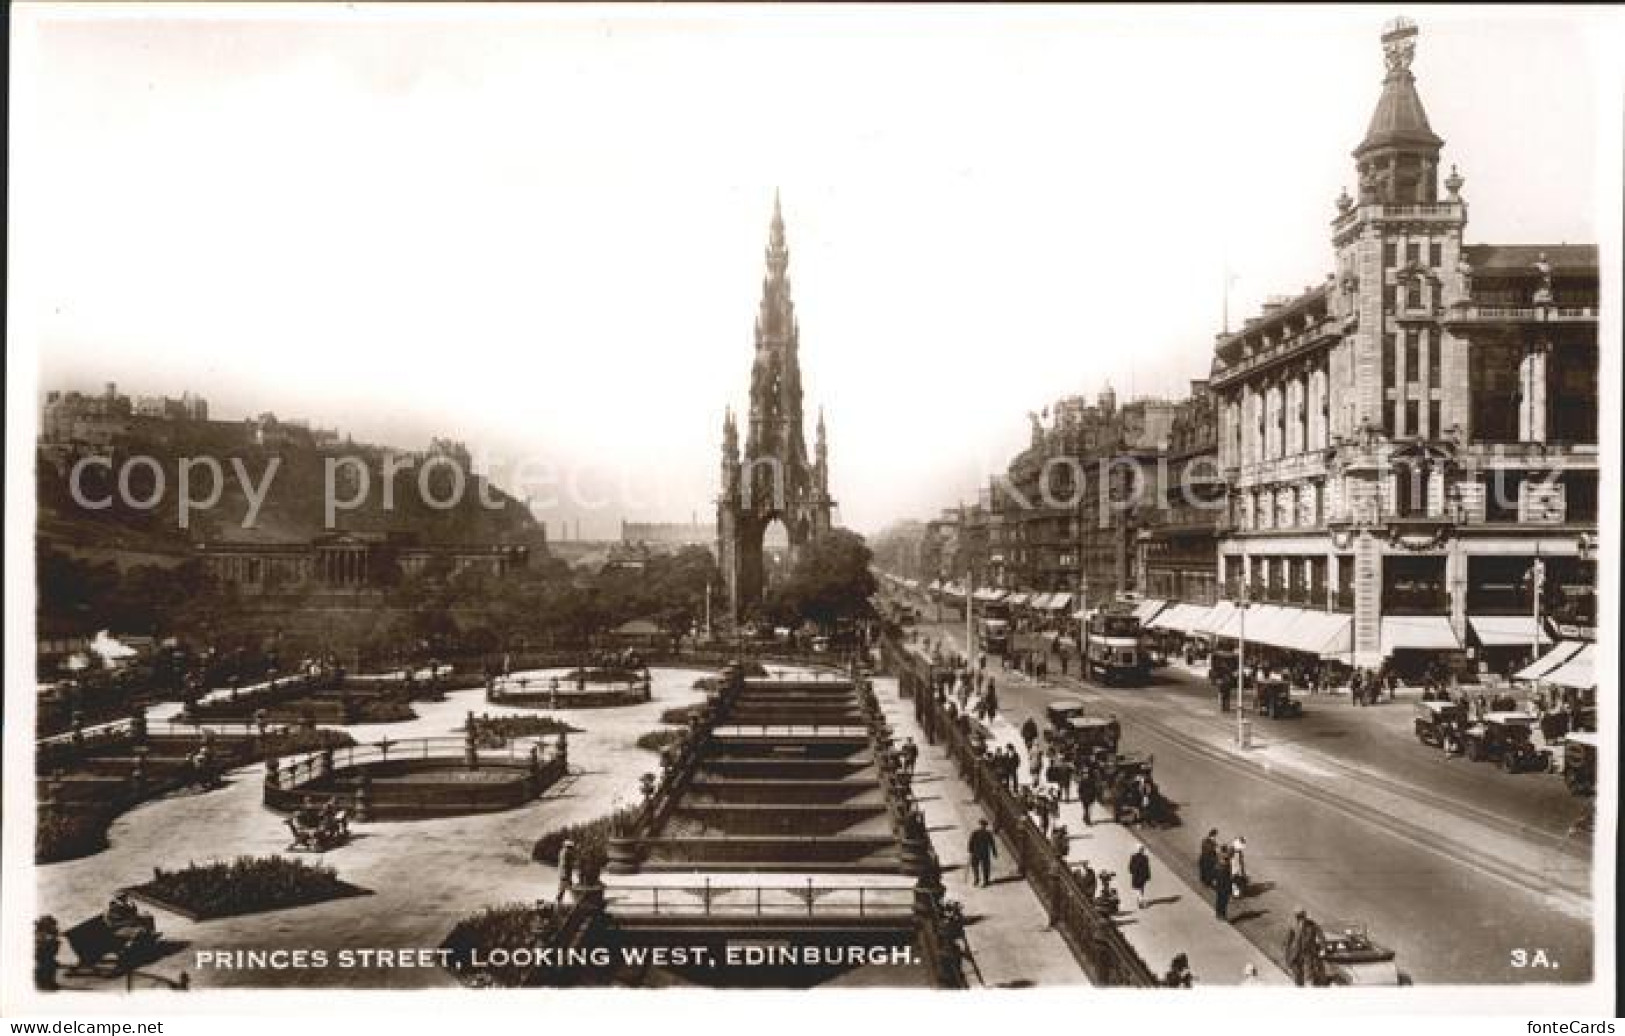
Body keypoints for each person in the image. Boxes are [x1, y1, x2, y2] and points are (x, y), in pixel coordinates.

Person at [1284, 909, 1324, 987]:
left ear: (1305, 916)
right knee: (1297, 974)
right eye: (1299, 917)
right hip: (1296, 953)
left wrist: (1323, 948)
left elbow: (1321, 935)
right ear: (1296, 917)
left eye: (1302, 916)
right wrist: (1287, 955)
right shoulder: (1293, 926)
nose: (1301, 919)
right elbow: (1288, 941)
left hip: (1309, 952)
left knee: (1309, 973)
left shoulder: (1312, 925)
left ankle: (1311, 984)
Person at [968, 819, 997, 887]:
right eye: (982, 825)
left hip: (980, 852)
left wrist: (994, 852)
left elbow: (992, 843)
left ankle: (984, 880)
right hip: (979, 852)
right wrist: (970, 849)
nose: (982, 827)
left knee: (984, 867)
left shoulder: (984, 833)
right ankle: (978, 879)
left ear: (985, 826)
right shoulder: (977, 833)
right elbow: (971, 841)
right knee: (976, 866)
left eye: (983, 826)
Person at [1213, 846, 1234, 922]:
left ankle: (1219, 914)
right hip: (1224, 884)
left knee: (1220, 899)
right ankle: (1222, 915)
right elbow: (1228, 877)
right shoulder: (1225, 864)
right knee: (1223, 900)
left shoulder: (1219, 862)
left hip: (1220, 884)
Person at [1128, 844, 1152, 909]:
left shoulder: (1133, 856)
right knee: (1141, 889)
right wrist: (1148, 876)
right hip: (1142, 876)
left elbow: (1130, 867)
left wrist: (1133, 872)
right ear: (1142, 850)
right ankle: (1140, 901)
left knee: (1138, 889)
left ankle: (1139, 901)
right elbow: (1147, 868)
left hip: (1136, 876)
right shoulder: (1145, 858)